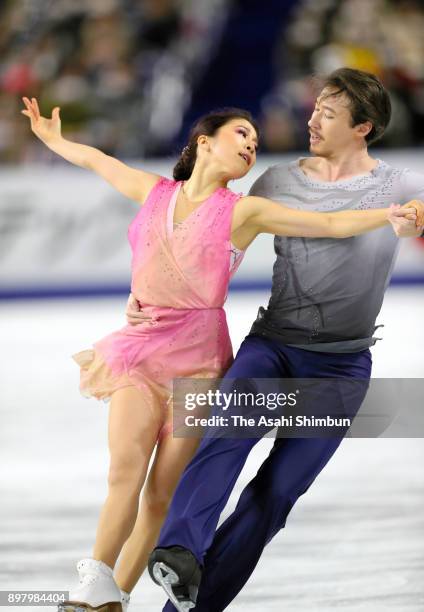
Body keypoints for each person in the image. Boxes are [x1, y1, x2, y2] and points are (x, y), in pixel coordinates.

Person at [20, 92, 421, 612]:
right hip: (139, 352)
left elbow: (327, 225)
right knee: (125, 469)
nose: (252, 147)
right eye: (242, 135)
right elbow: (101, 161)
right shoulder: (154, 192)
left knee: (163, 494)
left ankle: (112, 596)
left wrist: (388, 215)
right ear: (203, 142)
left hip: (201, 362)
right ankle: (94, 578)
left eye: (256, 143)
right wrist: (56, 142)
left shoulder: (245, 210)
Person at [139, 68, 424, 612]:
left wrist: (413, 221)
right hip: (271, 346)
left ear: (363, 126)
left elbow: (417, 213)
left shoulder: (401, 184)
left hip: (340, 369)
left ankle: (190, 609)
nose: (312, 118)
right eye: (315, 106)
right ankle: (177, 550)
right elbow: (201, 235)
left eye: (329, 113)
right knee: (225, 438)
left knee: (273, 497)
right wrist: (155, 293)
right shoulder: (275, 182)